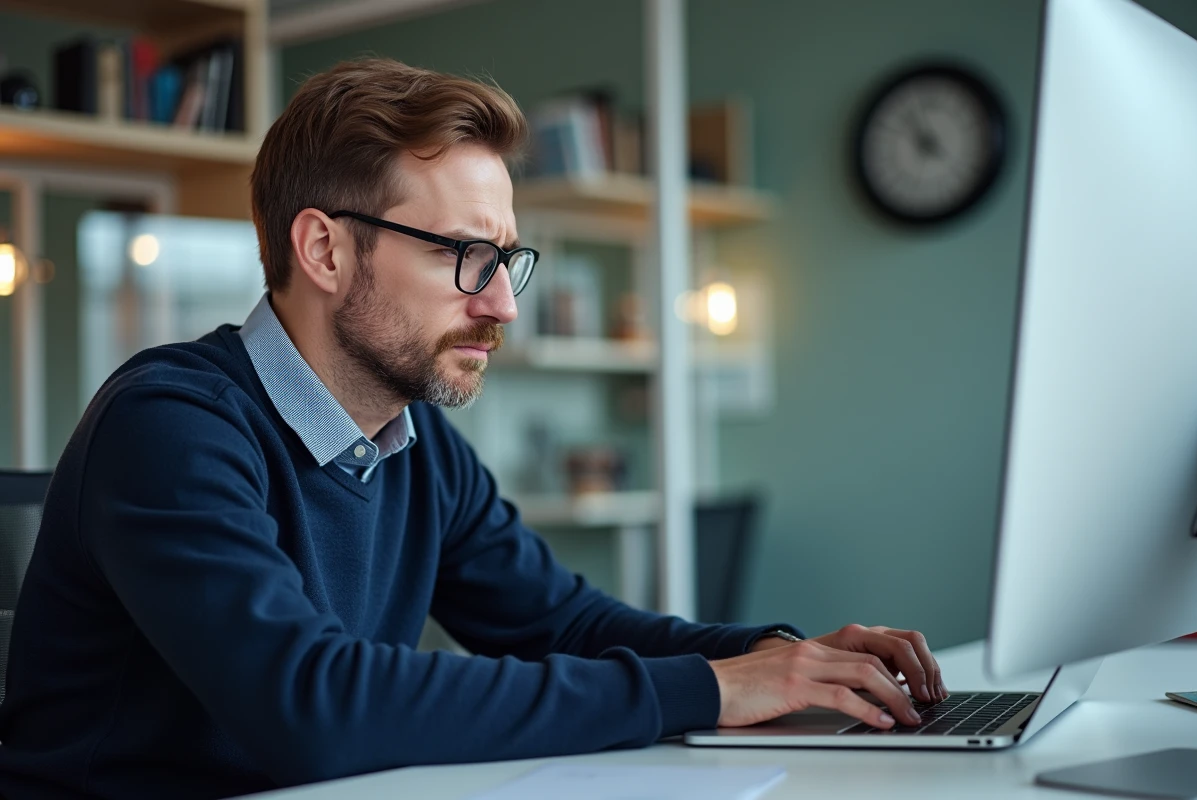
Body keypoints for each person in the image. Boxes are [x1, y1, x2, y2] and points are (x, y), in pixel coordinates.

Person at [0, 59, 946, 800]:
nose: (502, 305)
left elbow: (562, 624)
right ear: (324, 249)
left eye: (506, 260)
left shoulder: (417, 443)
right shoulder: (170, 427)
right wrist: (712, 689)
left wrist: (777, 659)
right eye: (464, 255)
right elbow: (313, 704)